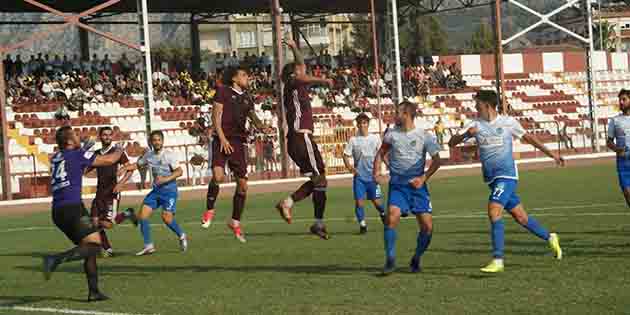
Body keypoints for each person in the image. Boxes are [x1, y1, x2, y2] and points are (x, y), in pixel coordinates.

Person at [448, 90, 564, 273]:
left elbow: (529, 138)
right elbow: (451, 143)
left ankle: (498, 259)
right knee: (521, 217)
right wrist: (465, 135)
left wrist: (552, 155)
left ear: (487, 105)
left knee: (494, 211)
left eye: (477, 104)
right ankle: (550, 237)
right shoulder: (475, 124)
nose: (475, 107)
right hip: (492, 180)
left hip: (507, 176)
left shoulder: (508, 123)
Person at [42, 126, 124, 301]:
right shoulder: (76, 155)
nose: (80, 136)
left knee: (89, 247)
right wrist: (120, 149)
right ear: (70, 141)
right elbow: (110, 160)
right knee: (94, 245)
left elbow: (77, 162)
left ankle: (93, 292)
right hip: (73, 209)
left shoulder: (57, 157)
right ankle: (55, 260)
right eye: (76, 135)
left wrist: (85, 147)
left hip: (58, 210)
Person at [201, 66, 272, 243]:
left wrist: (262, 126)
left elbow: (252, 116)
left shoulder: (247, 98)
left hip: (239, 142)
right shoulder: (223, 92)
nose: (247, 78)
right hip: (222, 139)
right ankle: (209, 209)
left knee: (243, 186)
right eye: (244, 75)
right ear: (234, 78)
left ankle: (235, 221)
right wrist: (223, 139)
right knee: (218, 176)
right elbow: (215, 117)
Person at [274, 38, 334, 239]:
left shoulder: (297, 85)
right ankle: (316, 222)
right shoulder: (292, 83)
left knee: (320, 179)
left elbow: (301, 67)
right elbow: (302, 76)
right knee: (320, 178)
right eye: (300, 70)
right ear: (293, 74)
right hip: (301, 137)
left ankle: (290, 204)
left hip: (299, 139)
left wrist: (293, 47)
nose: (304, 71)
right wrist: (322, 80)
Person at [373, 101, 442, 275]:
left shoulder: (424, 136)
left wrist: (423, 178)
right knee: (392, 218)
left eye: (397, 113)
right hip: (398, 185)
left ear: (407, 115)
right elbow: (381, 153)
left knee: (427, 227)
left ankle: (416, 258)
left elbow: (437, 160)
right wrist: (377, 172)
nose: (394, 116)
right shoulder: (391, 135)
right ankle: (390, 261)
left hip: (418, 187)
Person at [116, 131, 188, 256]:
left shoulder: (169, 155)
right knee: (143, 216)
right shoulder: (149, 155)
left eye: (158, 140)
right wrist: (124, 168)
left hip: (169, 192)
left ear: (162, 141)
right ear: (151, 142)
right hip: (156, 192)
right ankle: (148, 246)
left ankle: (181, 235)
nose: (156, 142)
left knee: (166, 218)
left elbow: (179, 171)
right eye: (154, 140)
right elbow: (138, 165)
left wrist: (165, 179)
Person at [87, 127, 136, 257]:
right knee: (94, 223)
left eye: (109, 135)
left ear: (112, 137)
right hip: (99, 193)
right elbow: (86, 170)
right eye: (104, 135)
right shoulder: (96, 154)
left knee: (108, 224)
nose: (107, 137)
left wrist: (121, 183)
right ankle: (107, 249)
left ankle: (126, 214)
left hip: (112, 193)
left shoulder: (118, 152)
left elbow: (130, 169)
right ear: (100, 137)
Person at [342, 113, 386, 234]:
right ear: (357, 125)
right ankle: (362, 225)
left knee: (378, 203)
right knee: (359, 202)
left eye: (364, 123)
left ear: (368, 124)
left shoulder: (375, 139)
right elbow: (345, 155)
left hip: (372, 177)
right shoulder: (353, 140)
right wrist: (350, 168)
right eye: (360, 123)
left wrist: (382, 170)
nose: (362, 126)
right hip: (359, 177)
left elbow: (381, 154)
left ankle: (383, 213)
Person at [606, 89, 630, 208]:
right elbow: (609, 142)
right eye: (620, 100)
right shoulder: (615, 121)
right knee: (627, 194)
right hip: (623, 163)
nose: (621, 102)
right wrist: (617, 150)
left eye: (624, 99)